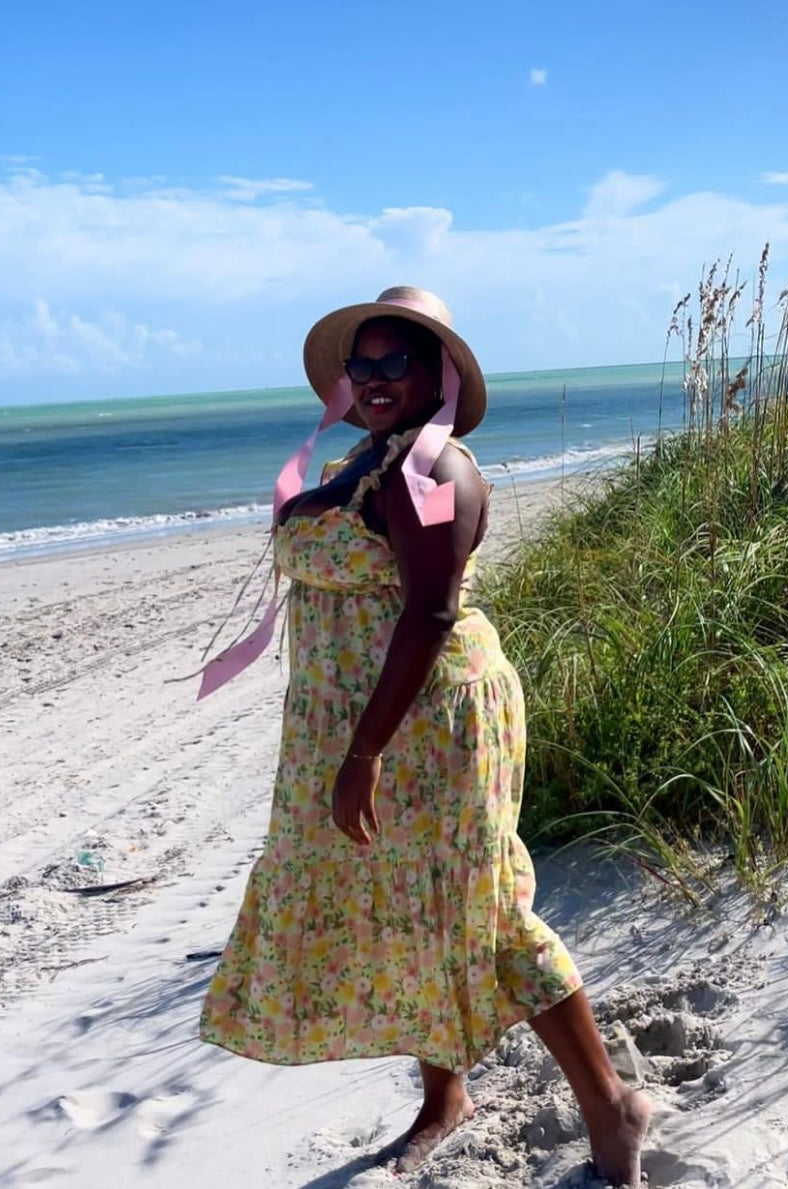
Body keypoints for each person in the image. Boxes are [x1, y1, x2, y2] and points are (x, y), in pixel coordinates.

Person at [200, 287, 650, 1183]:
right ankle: (446, 1096)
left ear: (435, 372)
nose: (370, 379)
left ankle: (612, 1105)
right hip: (364, 720)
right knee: (414, 905)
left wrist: (362, 754)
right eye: (358, 365)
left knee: (483, 912)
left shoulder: (433, 472)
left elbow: (432, 611)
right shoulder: (370, 458)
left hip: (426, 724)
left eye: (391, 362)